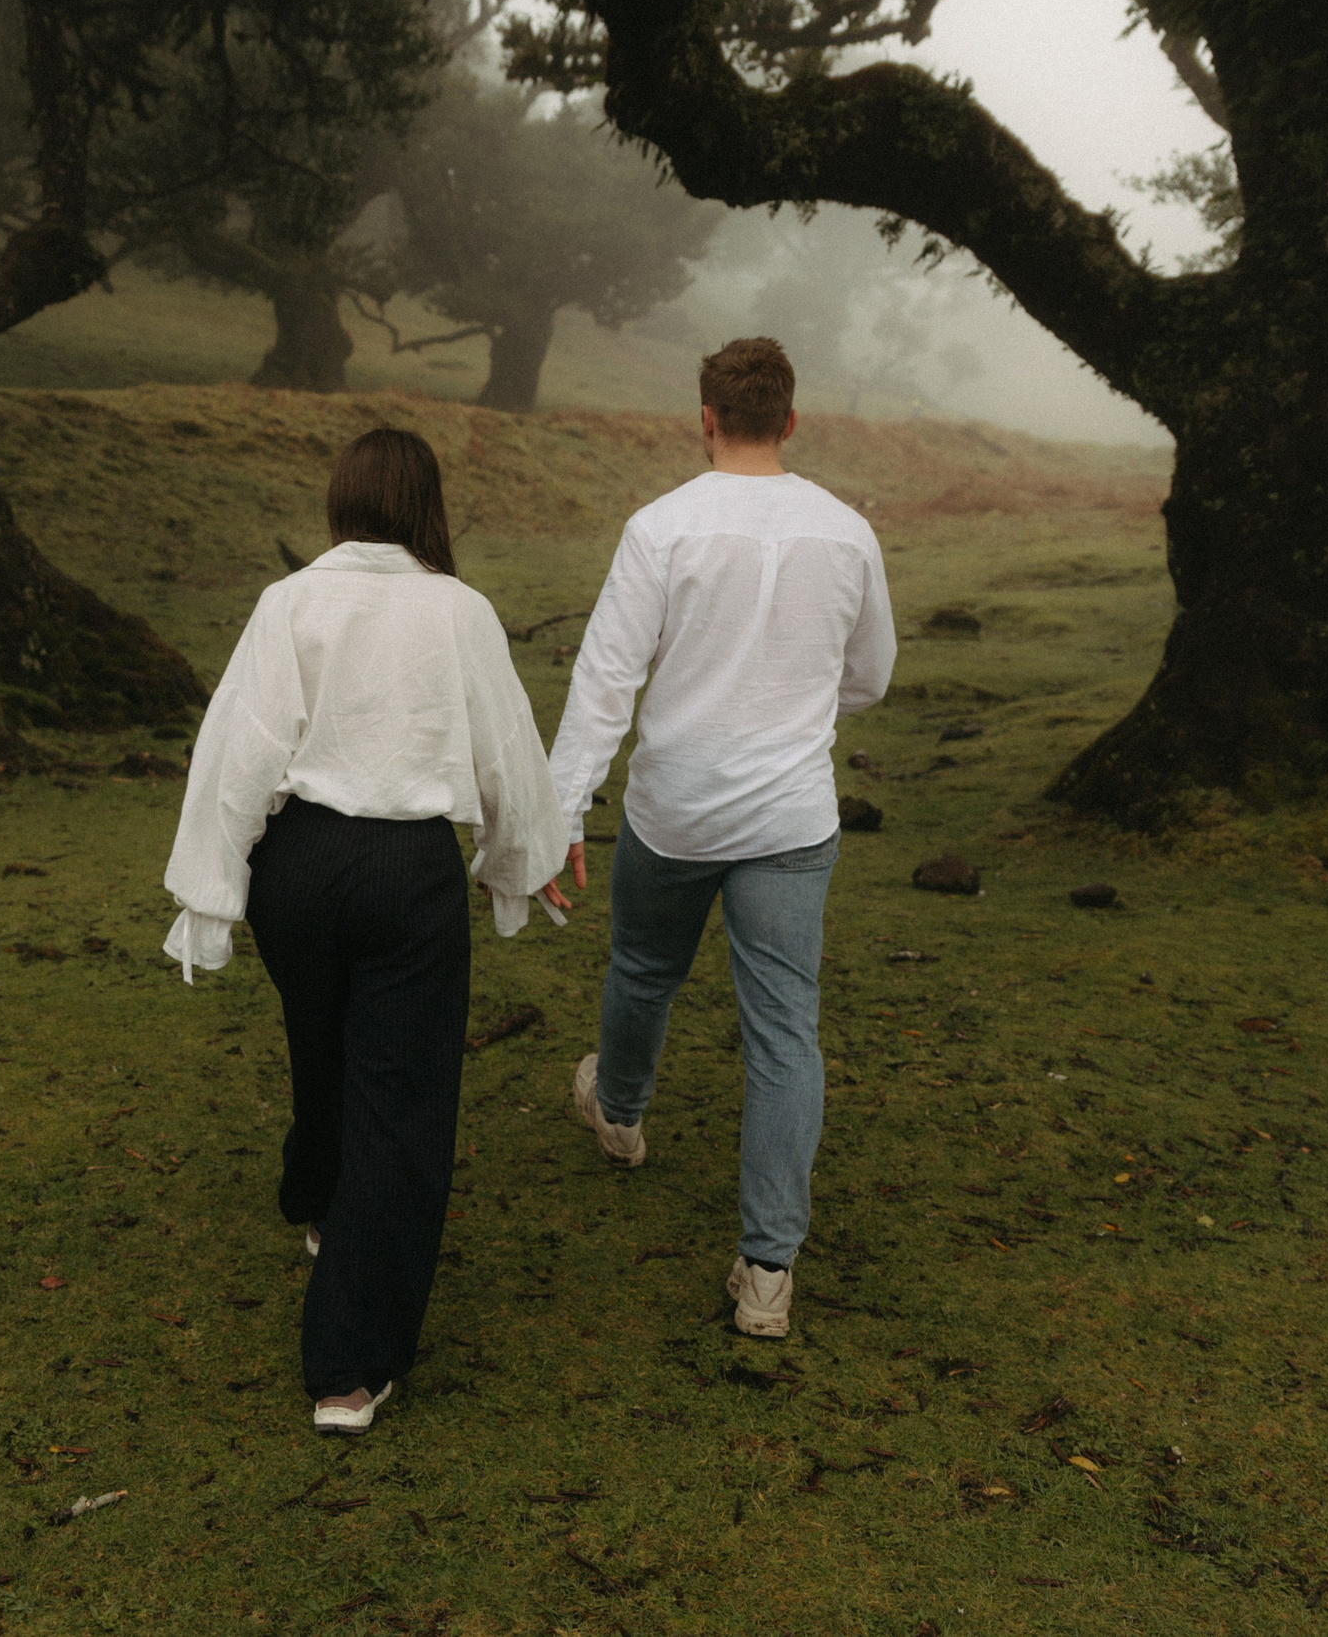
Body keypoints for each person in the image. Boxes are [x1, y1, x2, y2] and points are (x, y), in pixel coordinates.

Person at [162, 427, 568, 1435]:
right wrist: (523, 860)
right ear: (429, 505)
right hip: (404, 870)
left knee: (325, 1039)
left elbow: (240, 750)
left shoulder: (291, 601)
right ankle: (348, 1367)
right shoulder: (458, 611)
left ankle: (315, 1203)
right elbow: (508, 754)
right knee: (401, 1097)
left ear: (342, 500)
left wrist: (214, 895)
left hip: (297, 868)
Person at [548, 337, 897, 1339]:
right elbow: (870, 676)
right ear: (790, 420)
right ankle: (766, 1274)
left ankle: (617, 1112)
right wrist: (786, 697)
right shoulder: (846, 531)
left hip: (678, 808)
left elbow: (607, 680)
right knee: (785, 1032)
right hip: (789, 813)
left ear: (704, 419)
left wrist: (563, 807)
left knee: (646, 965)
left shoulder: (660, 529)